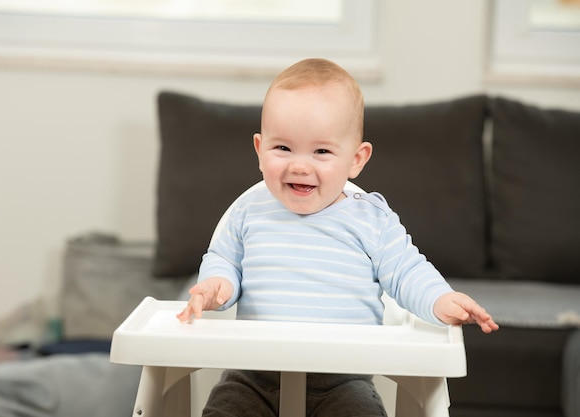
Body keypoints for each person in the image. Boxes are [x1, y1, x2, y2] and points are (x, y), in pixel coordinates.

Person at [177, 58, 499, 417]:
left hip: (343, 379)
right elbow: (223, 260)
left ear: (356, 159)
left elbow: (407, 271)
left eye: (322, 151)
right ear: (259, 149)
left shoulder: (371, 219)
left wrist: (441, 300)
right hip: (253, 375)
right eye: (282, 148)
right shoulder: (248, 211)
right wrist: (214, 286)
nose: (300, 165)